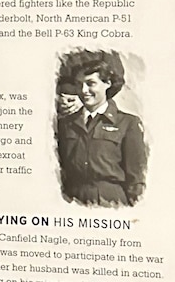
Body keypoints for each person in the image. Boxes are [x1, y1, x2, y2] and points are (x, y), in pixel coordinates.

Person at [54, 49, 148, 207]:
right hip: (71, 202)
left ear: (107, 84)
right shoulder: (65, 124)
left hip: (111, 202)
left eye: (91, 84)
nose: (84, 91)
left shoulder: (128, 124)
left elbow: (136, 180)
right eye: (79, 84)